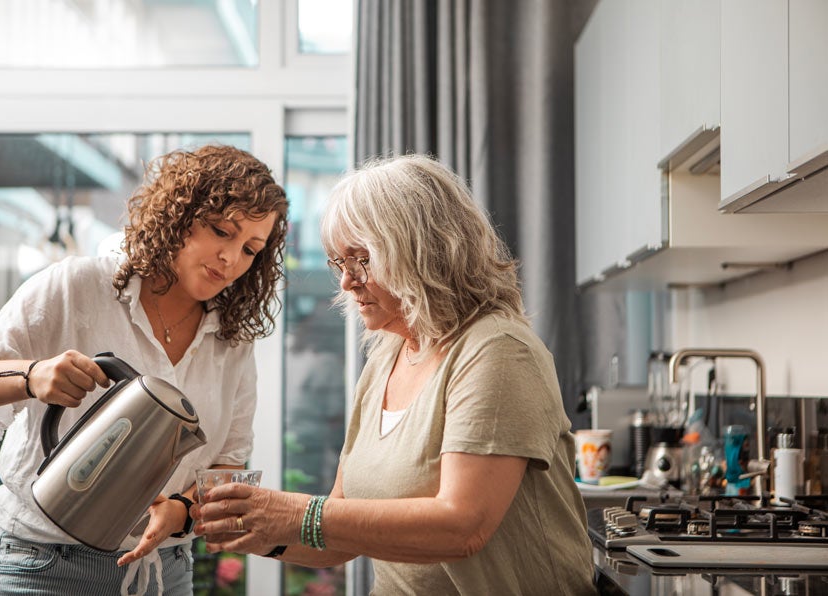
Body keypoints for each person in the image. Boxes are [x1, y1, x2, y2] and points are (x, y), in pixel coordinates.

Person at [192, 154, 596, 595]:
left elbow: (463, 526)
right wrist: (257, 530)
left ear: (423, 250)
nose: (346, 282)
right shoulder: (386, 359)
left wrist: (296, 514)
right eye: (339, 263)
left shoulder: (497, 350)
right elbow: (338, 538)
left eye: (362, 259)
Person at [0, 144, 288, 595]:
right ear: (180, 214)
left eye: (250, 250)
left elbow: (228, 464)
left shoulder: (232, 341)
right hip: (43, 567)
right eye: (222, 231)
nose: (231, 259)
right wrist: (32, 376)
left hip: (164, 571)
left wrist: (181, 511)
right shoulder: (78, 286)